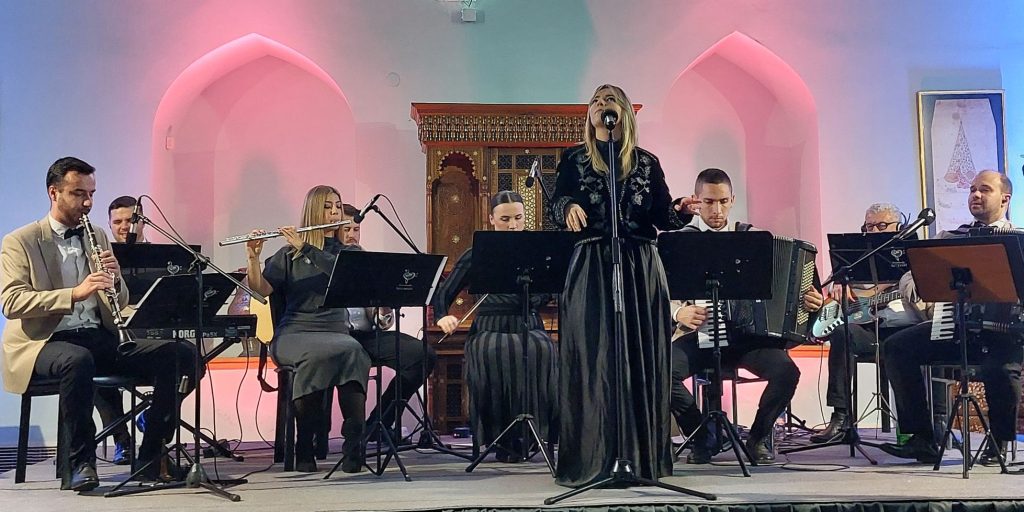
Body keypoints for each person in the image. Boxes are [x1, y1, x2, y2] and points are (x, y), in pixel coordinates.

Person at [1, 157, 200, 491]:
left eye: (91, 194)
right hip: (44, 342)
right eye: (78, 194)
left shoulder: (97, 235)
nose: (88, 203)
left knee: (182, 355)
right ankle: (80, 463)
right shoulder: (21, 240)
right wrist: (74, 294)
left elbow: (117, 301)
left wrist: (116, 278)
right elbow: (12, 302)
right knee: (77, 361)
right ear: (54, 193)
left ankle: (151, 456)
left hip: (96, 336)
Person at [551, 84, 697, 487]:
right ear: (590, 114)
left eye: (610, 100)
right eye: (596, 101)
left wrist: (681, 210)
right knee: (594, 356)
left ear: (625, 112)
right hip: (592, 263)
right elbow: (555, 204)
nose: (602, 105)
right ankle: (594, 458)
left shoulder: (647, 162)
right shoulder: (574, 158)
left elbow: (663, 216)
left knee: (641, 355)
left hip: (640, 264)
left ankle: (641, 459)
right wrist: (568, 206)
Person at [670, 168, 824, 464]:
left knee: (787, 372)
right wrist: (679, 311)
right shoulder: (680, 241)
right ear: (696, 201)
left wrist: (809, 301)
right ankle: (701, 435)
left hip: (749, 338)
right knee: (660, 372)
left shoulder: (754, 239)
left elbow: (789, 287)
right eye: (709, 202)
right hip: (699, 334)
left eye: (723, 202)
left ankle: (758, 437)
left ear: (732, 200)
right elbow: (656, 291)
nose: (717, 210)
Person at [880, 170, 1024, 465]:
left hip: (1005, 334)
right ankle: (922, 437)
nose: (976, 195)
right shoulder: (951, 237)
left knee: (1000, 368)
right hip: (958, 329)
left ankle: (998, 442)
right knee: (897, 347)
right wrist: (917, 285)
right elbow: (911, 272)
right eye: (972, 189)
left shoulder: (1018, 240)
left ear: (1005, 198)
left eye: (985, 189)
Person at [244, 185, 371, 473]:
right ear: (313, 211)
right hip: (294, 333)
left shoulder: (348, 253)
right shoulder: (288, 254)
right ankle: (304, 443)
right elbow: (260, 290)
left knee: (354, 350)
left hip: (336, 331)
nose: (335, 212)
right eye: (327, 207)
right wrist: (253, 257)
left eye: (337, 205)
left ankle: (354, 444)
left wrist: (307, 248)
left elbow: (341, 274)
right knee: (317, 355)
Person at [430, 191, 558, 462]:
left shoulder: (537, 251)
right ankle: (501, 438)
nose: (513, 225)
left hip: (527, 321)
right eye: (505, 219)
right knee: (496, 351)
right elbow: (443, 293)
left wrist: (538, 295)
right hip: (490, 325)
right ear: (491, 219)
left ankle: (533, 434)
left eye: (518, 218)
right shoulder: (477, 253)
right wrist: (442, 316)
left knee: (542, 349)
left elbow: (550, 289)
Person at [810, 203, 917, 443]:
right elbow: (831, 284)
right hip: (867, 329)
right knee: (842, 333)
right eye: (869, 227)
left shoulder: (911, 253)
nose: (874, 231)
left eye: (882, 226)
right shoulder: (857, 255)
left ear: (898, 226)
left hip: (904, 329)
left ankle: (921, 428)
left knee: (921, 341)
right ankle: (841, 417)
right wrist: (839, 285)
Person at [339, 203, 437, 444]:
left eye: (356, 230)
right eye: (346, 229)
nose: (352, 235)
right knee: (349, 354)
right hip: (336, 336)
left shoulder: (367, 260)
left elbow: (383, 321)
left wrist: (384, 307)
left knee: (422, 354)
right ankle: (351, 433)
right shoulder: (325, 260)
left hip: (367, 336)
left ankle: (380, 422)